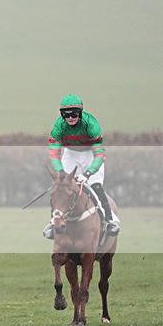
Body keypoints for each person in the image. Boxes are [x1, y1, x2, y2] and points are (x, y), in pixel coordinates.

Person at [44, 94, 120, 239]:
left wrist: (88, 173)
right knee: (60, 188)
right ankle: (53, 223)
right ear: (62, 115)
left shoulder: (91, 124)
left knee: (95, 186)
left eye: (74, 114)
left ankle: (109, 221)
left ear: (80, 113)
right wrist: (59, 170)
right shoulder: (58, 126)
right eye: (66, 115)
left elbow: (100, 154)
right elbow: (54, 153)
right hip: (70, 154)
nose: (70, 118)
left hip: (90, 155)